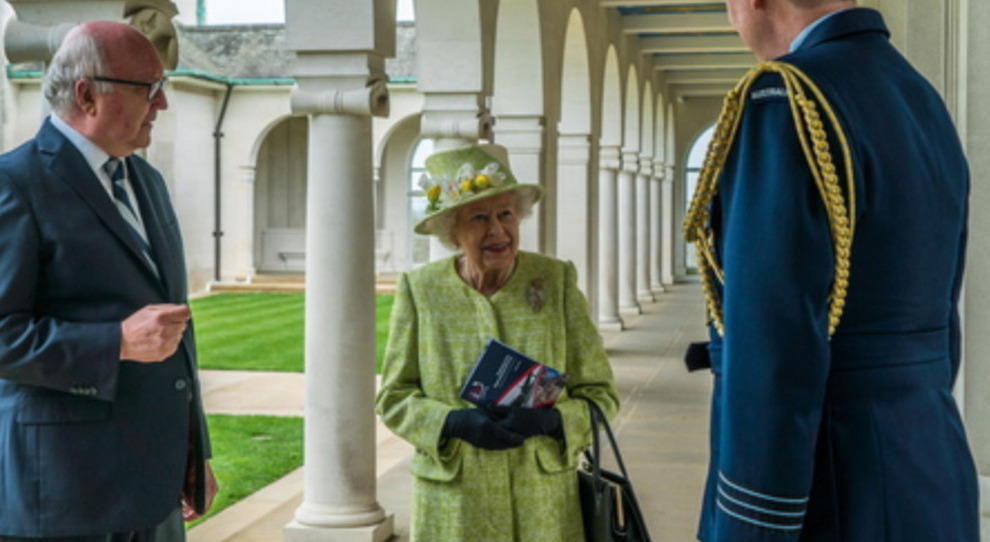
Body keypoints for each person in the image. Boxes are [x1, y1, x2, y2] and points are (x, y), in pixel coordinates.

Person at [684, 1, 979, 540]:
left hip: (834, 489)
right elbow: (941, 320)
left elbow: (773, 346)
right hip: (930, 463)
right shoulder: (919, 96)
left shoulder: (784, 99)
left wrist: (752, 527)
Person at [0, 21, 217, 540]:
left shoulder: (147, 181)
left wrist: (193, 450)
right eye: (149, 89)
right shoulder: (14, 185)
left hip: (156, 486)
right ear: (86, 94)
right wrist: (114, 342)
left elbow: (174, 329)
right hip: (66, 492)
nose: (161, 104)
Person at [375, 143, 619, 541]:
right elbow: (394, 397)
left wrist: (553, 420)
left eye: (506, 214)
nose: (497, 230)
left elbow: (601, 394)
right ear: (452, 231)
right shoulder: (421, 290)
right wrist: (451, 422)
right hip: (454, 504)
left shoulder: (555, 281)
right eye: (479, 218)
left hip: (542, 502)